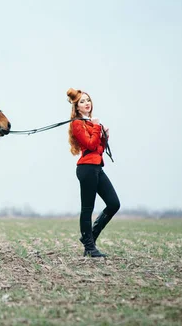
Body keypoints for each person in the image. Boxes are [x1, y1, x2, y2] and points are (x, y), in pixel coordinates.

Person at [67, 88, 120, 257]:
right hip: (86, 169)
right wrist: (97, 128)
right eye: (82, 101)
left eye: (88, 100)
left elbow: (98, 149)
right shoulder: (77, 124)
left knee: (114, 204)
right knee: (87, 209)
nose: (86, 103)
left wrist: (105, 138)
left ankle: (90, 238)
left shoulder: (90, 123)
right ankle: (90, 247)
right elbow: (89, 145)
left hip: (97, 167)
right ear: (76, 108)